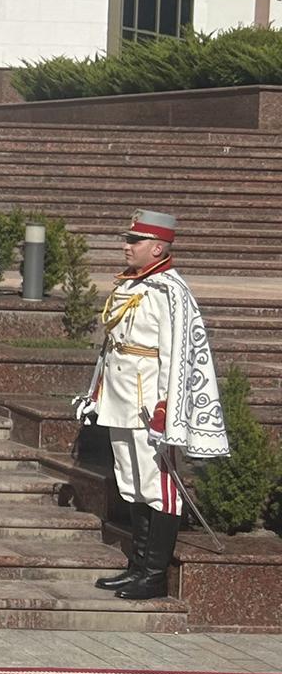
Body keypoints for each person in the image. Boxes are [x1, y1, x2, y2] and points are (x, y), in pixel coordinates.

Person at [73, 210, 228, 601]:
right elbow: (113, 349)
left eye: (135, 241)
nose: (126, 246)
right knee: (132, 483)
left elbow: (179, 356)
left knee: (160, 487)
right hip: (121, 399)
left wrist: (166, 409)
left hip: (149, 407)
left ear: (157, 247)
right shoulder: (130, 286)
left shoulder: (170, 292)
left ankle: (154, 575)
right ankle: (137, 567)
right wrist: (96, 393)